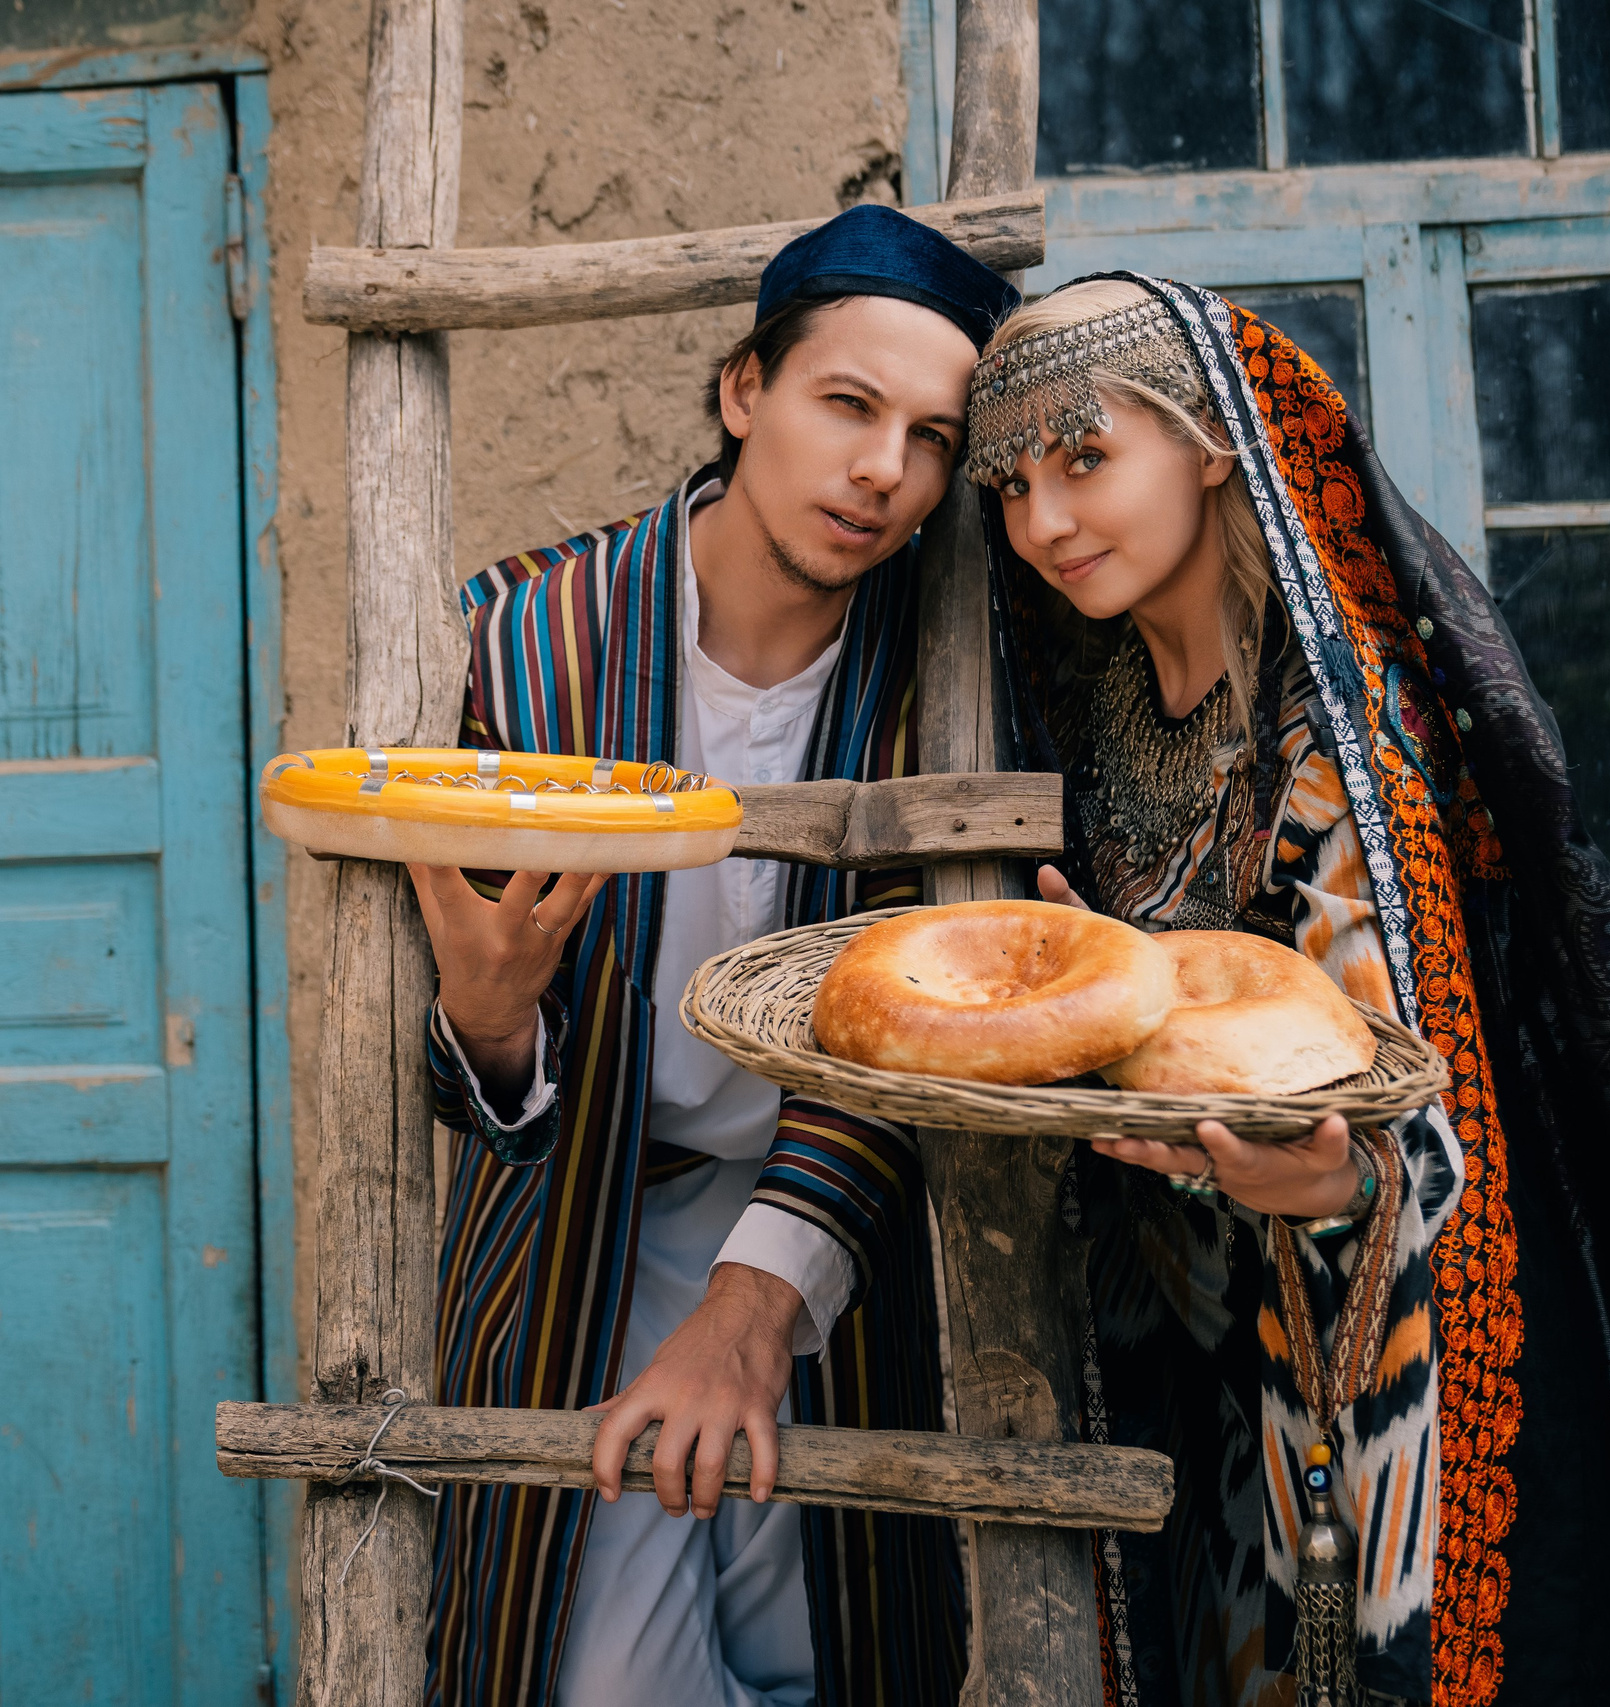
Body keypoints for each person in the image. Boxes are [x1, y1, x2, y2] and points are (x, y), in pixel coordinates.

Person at [965, 274, 1610, 1706]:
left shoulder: (1347, 732)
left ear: (1212, 438)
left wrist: (1332, 1185)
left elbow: (1416, 1116)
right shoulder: (1091, 727)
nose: (1044, 523)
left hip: (1391, 1387)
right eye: (1014, 484)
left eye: (1086, 458)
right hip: (1199, 1371)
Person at [410, 204, 1014, 1707]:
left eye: (933, 438)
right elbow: (475, 1037)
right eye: (848, 404)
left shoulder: (946, 683)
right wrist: (487, 1022)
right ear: (746, 390)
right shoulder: (519, 638)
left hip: (841, 1228)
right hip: (585, 1221)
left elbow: (922, 1016)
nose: (885, 470)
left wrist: (753, 1312)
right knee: (603, 1678)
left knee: (832, 1649)